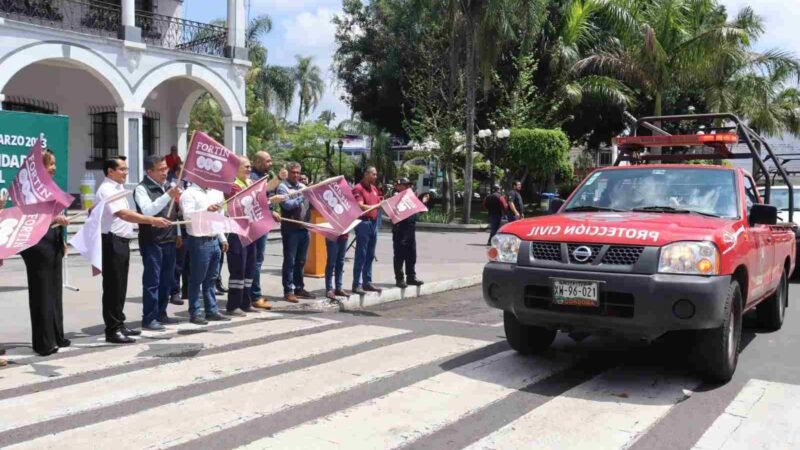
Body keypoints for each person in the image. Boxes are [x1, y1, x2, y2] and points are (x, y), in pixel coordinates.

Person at [97, 156, 172, 344]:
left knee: (120, 285)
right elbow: (123, 214)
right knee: (113, 286)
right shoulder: (106, 189)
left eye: (126, 169)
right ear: (110, 171)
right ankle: (112, 330)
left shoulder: (118, 188)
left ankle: (119, 324)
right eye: (121, 169)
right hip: (111, 241)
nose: (126, 172)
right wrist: (152, 220)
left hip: (121, 241)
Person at [18, 149, 71, 356]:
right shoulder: (27, 190)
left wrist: (62, 238)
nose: (54, 168)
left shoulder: (50, 187)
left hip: (52, 240)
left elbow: (56, 213)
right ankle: (43, 342)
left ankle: (57, 334)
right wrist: (55, 219)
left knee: (55, 291)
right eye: (50, 164)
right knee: (42, 293)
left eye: (54, 163)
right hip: (36, 244)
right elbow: (29, 217)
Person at [134, 155, 182, 331]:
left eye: (166, 168)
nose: (165, 172)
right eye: (161, 169)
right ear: (149, 171)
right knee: (152, 281)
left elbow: (174, 212)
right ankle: (149, 317)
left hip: (169, 238)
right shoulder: (142, 188)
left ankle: (162, 313)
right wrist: (168, 195)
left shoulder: (168, 186)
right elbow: (148, 211)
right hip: (152, 240)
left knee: (167, 280)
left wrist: (177, 233)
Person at [180, 182, 231, 325]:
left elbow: (217, 218)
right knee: (197, 278)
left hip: (214, 239)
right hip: (199, 240)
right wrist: (205, 210)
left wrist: (222, 238)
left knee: (212, 278)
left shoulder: (215, 192)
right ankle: (195, 312)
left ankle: (211, 310)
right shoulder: (189, 193)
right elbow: (187, 217)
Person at [225, 156, 258, 316]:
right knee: (238, 269)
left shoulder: (250, 183)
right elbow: (244, 201)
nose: (249, 169)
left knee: (250, 268)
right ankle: (233, 305)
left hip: (250, 231)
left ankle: (246, 302)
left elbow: (259, 200)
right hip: (236, 232)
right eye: (246, 166)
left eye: (250, 166)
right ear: (236, 168)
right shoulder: (232, 185)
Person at [276, 162, 312, 303]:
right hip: (290, 229)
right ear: (288, 172)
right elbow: (287, 205)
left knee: (301, 261)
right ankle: (288, 291)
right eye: (293, 172)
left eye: (298, 172)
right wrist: (302, 196)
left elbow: (310, 205)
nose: (296, 175)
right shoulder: (283, 187)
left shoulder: (303, 187)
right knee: (290, 261)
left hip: (304, 228)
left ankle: (299, 288)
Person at [249, 151, 278, 310]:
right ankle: (254, 295)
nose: (271, 163)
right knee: (255, 261)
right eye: (268, 161)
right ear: (258, 162)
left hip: (263, 222)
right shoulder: (253, 178)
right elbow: (259, 196)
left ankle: (253, 293)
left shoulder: (264, 176)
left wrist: (272, 209)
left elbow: (267, 199)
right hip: (255, 225)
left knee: (257, 260)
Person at [392, 177, 427, 289]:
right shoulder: (395, 197)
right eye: (405, 185)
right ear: (398, 186)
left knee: (411, 254)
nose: (408, 187)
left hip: (410, 229)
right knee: (399, 255)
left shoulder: (411, 196)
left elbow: (420, 210)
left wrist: (423, 201)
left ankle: (411, 277)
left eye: (408, 185)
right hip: (400, 229)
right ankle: (400, 279)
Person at [352, 166, 383, 295]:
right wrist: (374, 206)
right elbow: (359, 205)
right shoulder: (358, 188)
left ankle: (367, 282)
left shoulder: (374, 189)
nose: (376, 177)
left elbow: (379, 202)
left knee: (370, 254)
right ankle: (357, 284)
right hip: (363, 223)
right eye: (373, 174)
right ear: (366, 174)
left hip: (373, 223)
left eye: (376, 175)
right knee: (361, 254)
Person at [325, 232, 349, 301]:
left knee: (340, 263)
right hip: (332, 236)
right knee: (331, 263)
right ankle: (329, 289)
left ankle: (338, 288)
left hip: (344, 236)